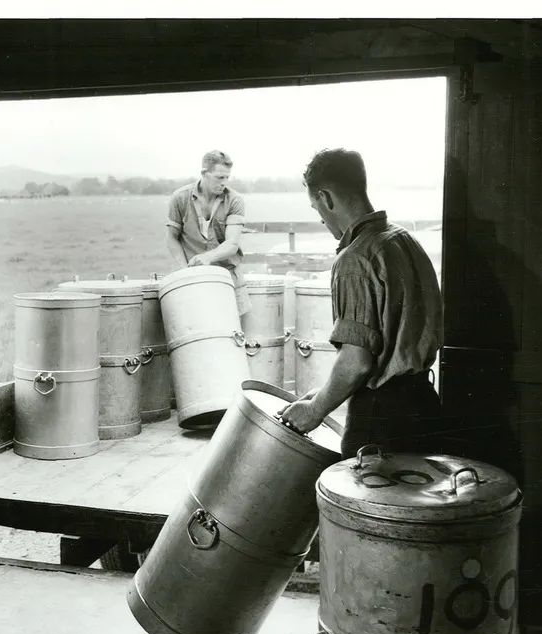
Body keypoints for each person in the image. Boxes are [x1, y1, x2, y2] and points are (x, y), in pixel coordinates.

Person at [275, 148, 444, 460]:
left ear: (326, 198)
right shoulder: (403, 240)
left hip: (382, 421)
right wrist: (322, 393)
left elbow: (357, 363)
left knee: (365, 508)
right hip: (424, 405)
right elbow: (393, 347)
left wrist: (315, 410)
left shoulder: (355, 258)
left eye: (317, 209)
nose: (323, 220)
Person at [165, 150, 251, 327]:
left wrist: (206, 258)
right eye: (220, 177)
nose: (224, 183)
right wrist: (185, 271)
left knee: (232, 336)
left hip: (228, 279)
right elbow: (171, 238)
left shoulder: (235, 200)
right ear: (204, 173)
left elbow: (232, 244)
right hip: (192, 280)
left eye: (227, 177)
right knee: (196, 335)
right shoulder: (180, 198)